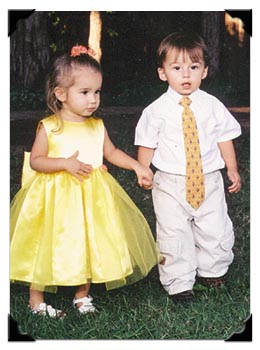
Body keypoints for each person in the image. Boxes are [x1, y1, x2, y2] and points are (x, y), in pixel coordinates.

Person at [10, 45, 159, 318]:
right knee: (44, 244)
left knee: (88, 241)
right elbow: (37, 161)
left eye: (97, 92)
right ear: (61, 94)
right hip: (55, 199)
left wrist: (138, 166)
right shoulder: (50, 127)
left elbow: (111, 153)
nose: (93, 100)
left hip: (91, 196)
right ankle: (36, 299)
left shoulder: (97, 126)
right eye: (85, 92)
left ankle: (82, 294)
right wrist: (64, 163)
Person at [135, 32, 241, 302]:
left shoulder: (212, 106)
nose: (186, 75)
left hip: (209, 179)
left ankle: (212, 271)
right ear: (162, 73)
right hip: (170, 182)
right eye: (177, 68)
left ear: (204, 71)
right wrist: (143, 170)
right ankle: (179, 282)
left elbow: (223, 137)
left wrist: (232, 168)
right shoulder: (155, 110)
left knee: (214, 226)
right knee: (173, 232)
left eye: (194, 67)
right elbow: (147, 142)